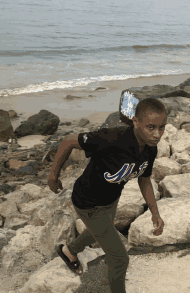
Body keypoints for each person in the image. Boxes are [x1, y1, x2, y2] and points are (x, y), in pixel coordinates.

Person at [48, 97, 166, 293]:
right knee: (119, 258)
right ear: (136, 122)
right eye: (151, 127)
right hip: (88, 202)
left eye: (162, 127)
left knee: (100, 230)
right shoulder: (111, 139)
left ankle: (68, 251)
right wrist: (53, 175)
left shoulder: (150, 149)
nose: (157, 134)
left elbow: (144, 179)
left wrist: (155, 212)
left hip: (111, 199)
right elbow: (68, 140)